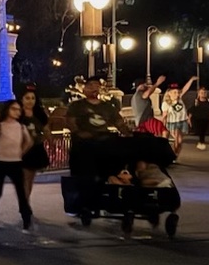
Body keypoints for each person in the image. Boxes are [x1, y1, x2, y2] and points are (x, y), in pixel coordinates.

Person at [61, 76, 127, 218]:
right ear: (84, 88)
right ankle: (80, 205)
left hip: (103, 145)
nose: (93, 88)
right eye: (90, 85)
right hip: (83, 147)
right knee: (83, 176)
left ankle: (107, 201)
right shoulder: (77, 106)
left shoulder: (107, 106)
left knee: (109, 173)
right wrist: (80, 133)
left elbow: (119, 122)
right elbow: (70, 123)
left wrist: (128, 132)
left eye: (96, 85)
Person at [0, 100, 35, 230]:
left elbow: (29, 141)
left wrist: (20, 153)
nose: (17, 112)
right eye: (14, 109)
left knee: (21, 192)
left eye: (18, 110)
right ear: (7, 110)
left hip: (15, 162)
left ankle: (26, 218)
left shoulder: (21, 126)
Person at [16, 85, 50, 200]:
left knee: (29, 178)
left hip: (35, 149)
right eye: (27, 98)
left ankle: (26, 201)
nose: (30, 101)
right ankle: (24, 203)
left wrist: (46, 139)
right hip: (20, 149)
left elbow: (46, 129)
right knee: (24, 177)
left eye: (33, 98)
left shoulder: (39, 114)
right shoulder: (16, 114)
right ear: (21, 99)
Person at [160, 82, 191, 155]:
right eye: (174, 92)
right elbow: (164, 115)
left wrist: (191, 80)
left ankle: (175, 154)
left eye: (177, 92)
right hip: (173, 123)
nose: (176, 94)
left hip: (182, 122)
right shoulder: (166, 103)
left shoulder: (179, 99)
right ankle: (172, 154)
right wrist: (162, 124)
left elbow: (185, 89)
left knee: (180, 142)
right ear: (169, 93)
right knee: (177, 140)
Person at [188, 85, 209, 150]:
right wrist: (189, 119)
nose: (203, 94)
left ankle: (201, 142)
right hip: (196, 119)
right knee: (198, 130)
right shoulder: (195, 101)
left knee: (203, 131)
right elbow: (191, 110)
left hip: (205, 118)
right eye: (201, 93)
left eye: (204, 93)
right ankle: (201, 142)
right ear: (199, 93)